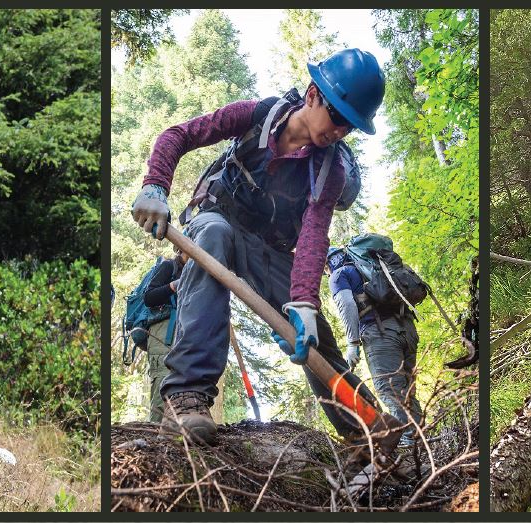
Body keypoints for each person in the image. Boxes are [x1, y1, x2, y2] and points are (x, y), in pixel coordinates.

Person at [131, 48, 385, 445]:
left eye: (350, 126)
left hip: (270, 249)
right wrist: (155, 187)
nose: (339, 131)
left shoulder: (330, 167)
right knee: (213, 235)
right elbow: (178, 135)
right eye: (337, 116)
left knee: (314, 335)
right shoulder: (254, 115)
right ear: (313, 95)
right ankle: (186, 397)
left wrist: (303, 304)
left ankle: (369, 432)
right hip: (218, 219)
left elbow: (314, 234)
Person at [325, 247, 423, 447]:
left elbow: (347, 305)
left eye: (325, 268)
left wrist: (352, 343)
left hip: (381, 334)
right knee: (407, 388)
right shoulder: (371, 269)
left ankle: (409, 442)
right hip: (408, 329)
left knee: (390, 389)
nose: (325, 272)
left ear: (329, 262)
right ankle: (421, 439)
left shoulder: (339, 275)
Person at [142, 247, 186, 423]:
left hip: (181, 334)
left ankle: (175, 431)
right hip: (162, 332)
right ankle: (155, 431)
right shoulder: (169, 267)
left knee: (181, 385)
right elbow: (149, 298)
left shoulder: (194, 273)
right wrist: (172, 286)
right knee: (162, 380)